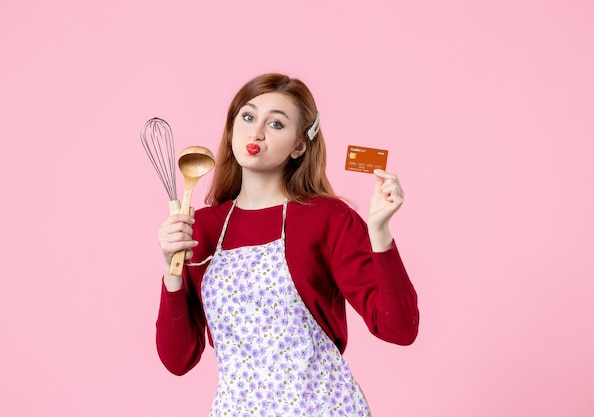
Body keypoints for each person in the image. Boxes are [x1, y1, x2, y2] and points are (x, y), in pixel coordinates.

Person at [155, 73, 419, 416]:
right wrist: (170, 271)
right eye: (248, 117)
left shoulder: (327, 217)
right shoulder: (201, 227)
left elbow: (400, 329)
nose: (257, 132)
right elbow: (178, 360)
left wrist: (380, 232)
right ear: (232, 128)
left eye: (276, 124)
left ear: (299, 145)